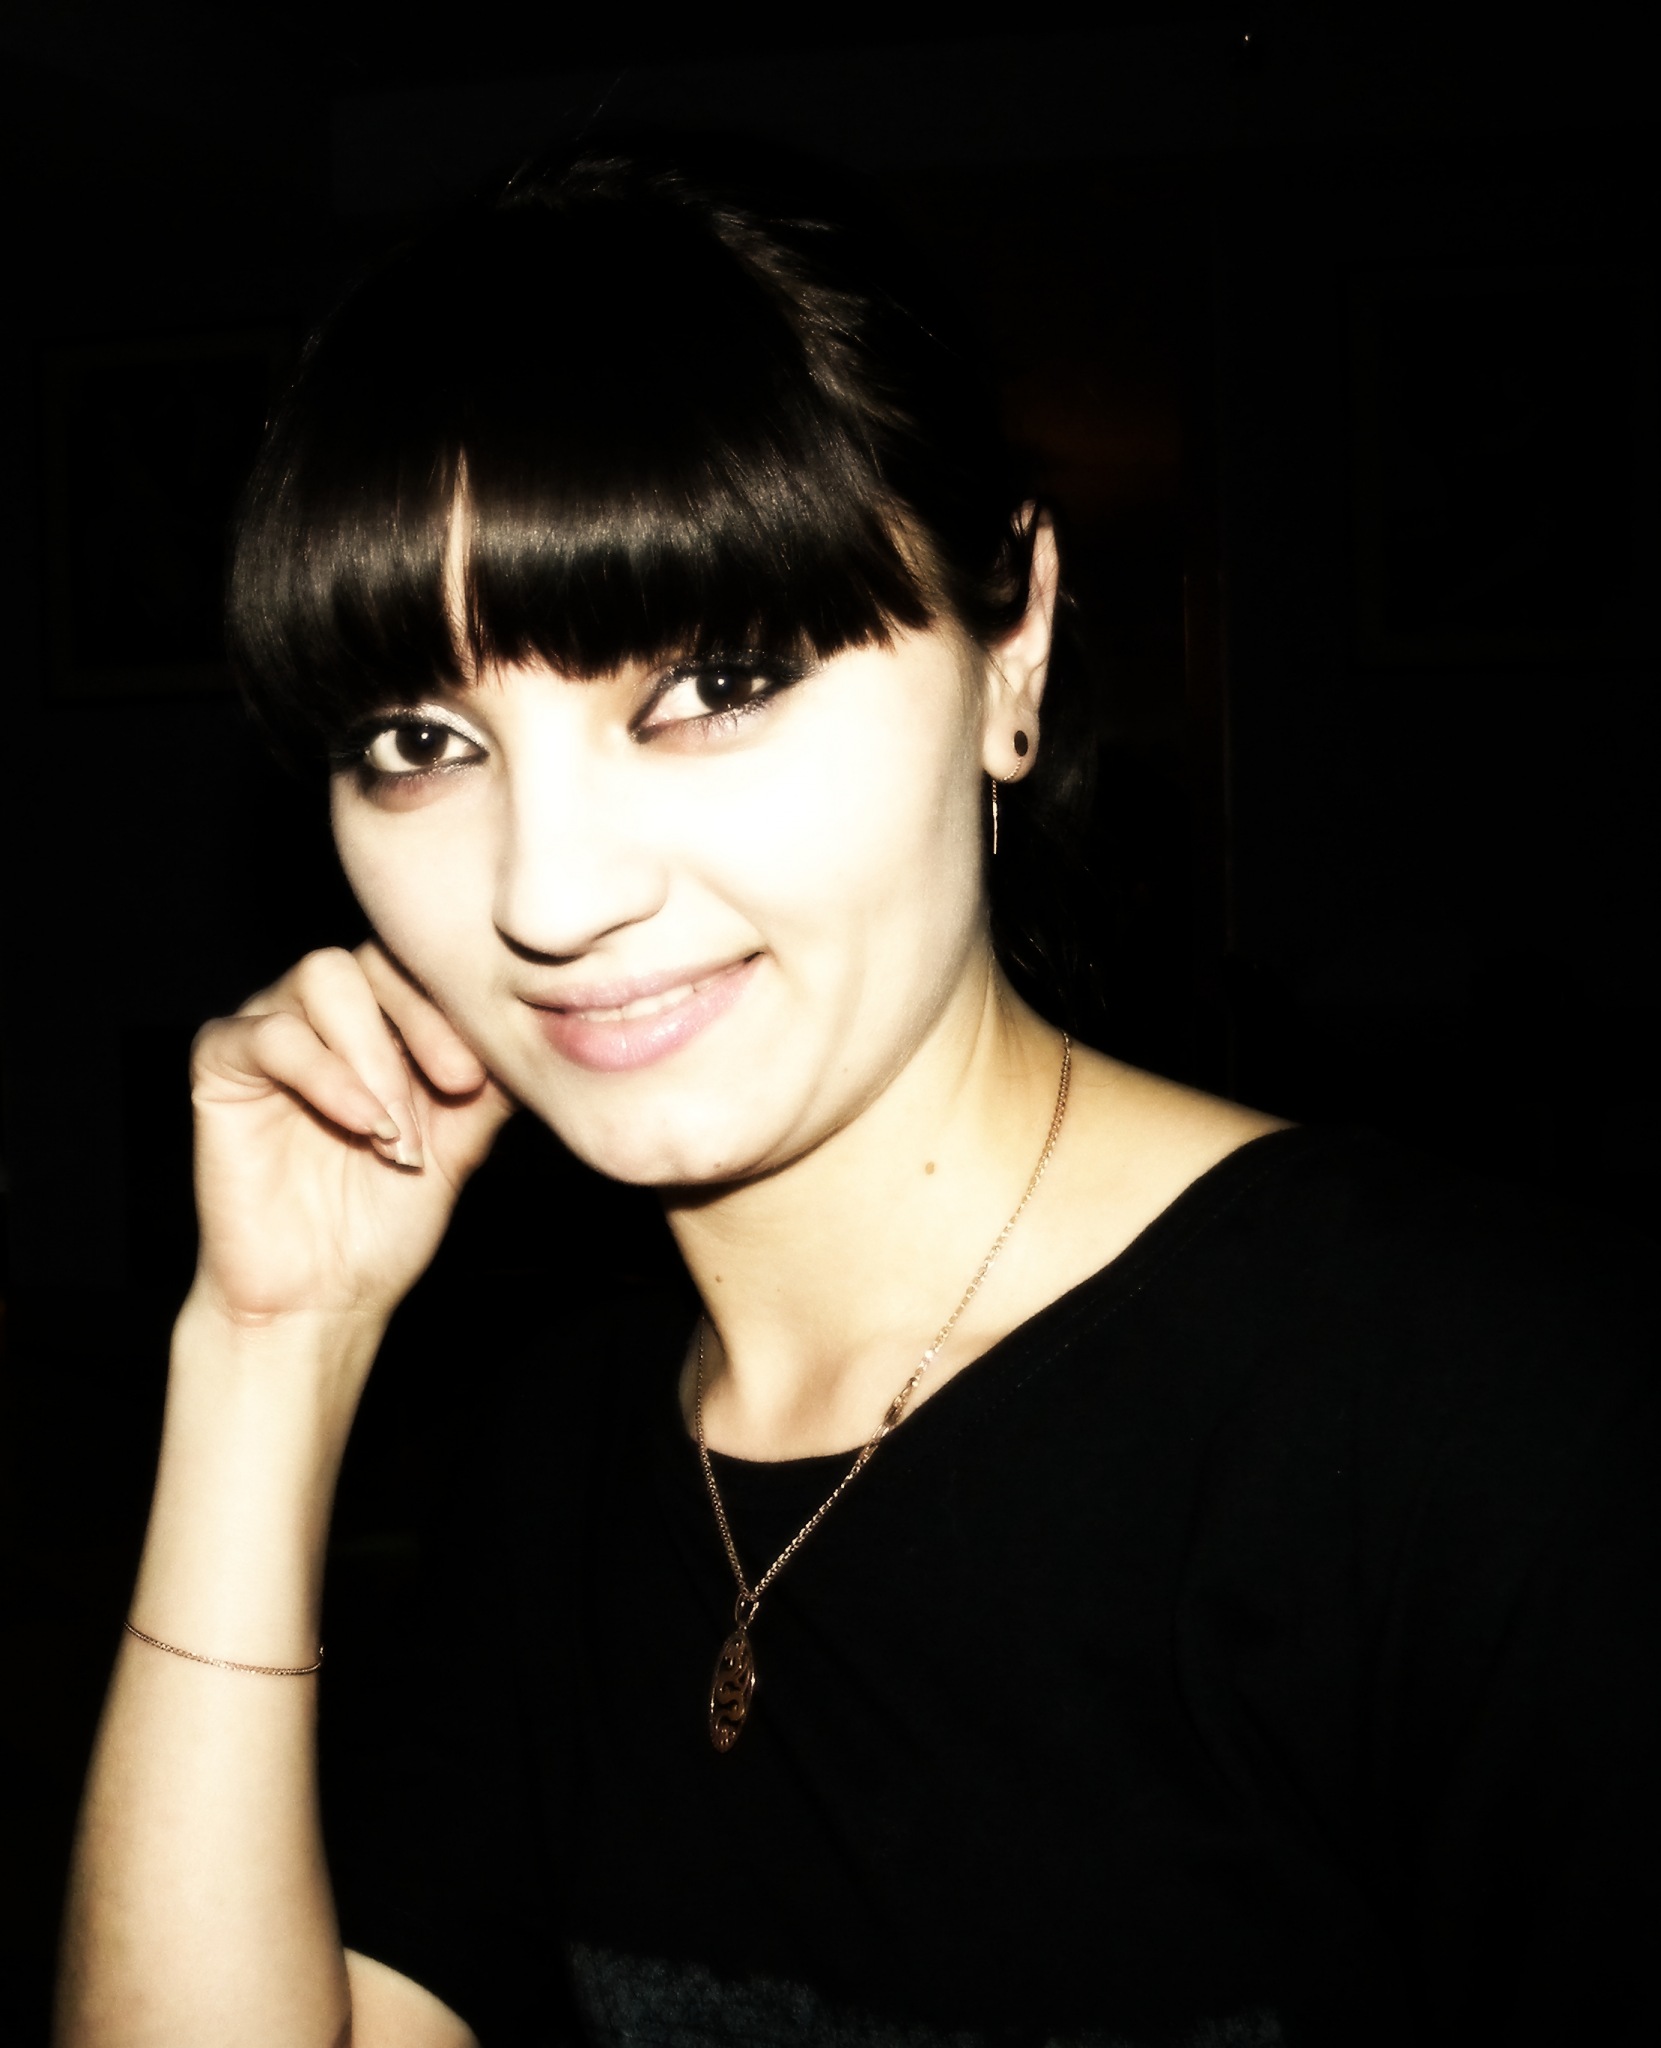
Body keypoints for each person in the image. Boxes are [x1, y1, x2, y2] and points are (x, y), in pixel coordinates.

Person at [55, 137, 1656, 2048]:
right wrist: (266, 1349)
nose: (547, 895)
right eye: (420, 739)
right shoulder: (560, 1466)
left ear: (1013, 643)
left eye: (717, 684)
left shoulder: (1493, 1421)